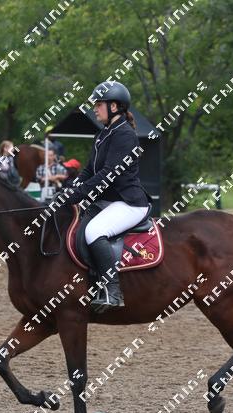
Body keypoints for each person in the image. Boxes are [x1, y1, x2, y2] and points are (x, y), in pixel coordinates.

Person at [61, 81, 149, 312]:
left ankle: (112, 291)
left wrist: (78, 194)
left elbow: (108, 174)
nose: (95, 109)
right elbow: (89, 171)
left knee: (94, 231)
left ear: (115, 106)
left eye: (99, 104)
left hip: (128, 202)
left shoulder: (125, 135)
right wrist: (69, 188)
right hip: (107, 202)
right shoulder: (103, 134)